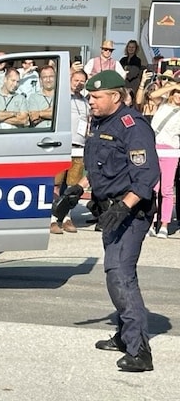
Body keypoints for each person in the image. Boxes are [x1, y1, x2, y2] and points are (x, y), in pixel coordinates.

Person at [80, 70, 158, 372]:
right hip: (110, 212)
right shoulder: (101, 123)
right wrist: (79, 190)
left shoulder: (132, 126)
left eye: (97, 96)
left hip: (130, 213)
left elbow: (146, 177)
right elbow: (99, 166)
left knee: (120, 274)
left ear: (116, 96)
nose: (91, 101)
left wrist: (122, 208)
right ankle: (126, 336)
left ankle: (140, 352)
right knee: (115, 274)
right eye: (89, 96)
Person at [50, 70, 89, 234]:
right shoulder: (63, 98)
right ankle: (53, 218)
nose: (78, 83)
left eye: (82, 81)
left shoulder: (86, 102)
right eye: (76, 80)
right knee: (57, 184)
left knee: (72, 186)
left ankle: (67, 217)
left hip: (79, 147)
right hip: (62, 146)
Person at [147, 81, 180, 239]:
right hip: (154, 149)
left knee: (166, 189)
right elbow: (153, 95)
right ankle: (151, 222)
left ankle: (164, 224)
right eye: (178, 93)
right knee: (153, 187)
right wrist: (172, 87)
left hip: (171, 151)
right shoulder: (163, 105)